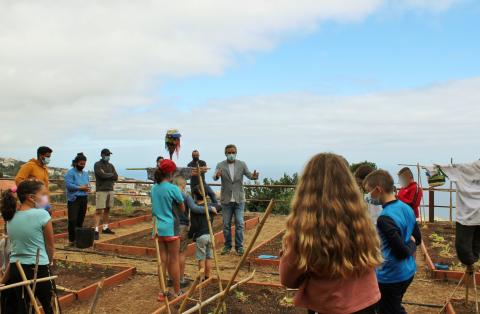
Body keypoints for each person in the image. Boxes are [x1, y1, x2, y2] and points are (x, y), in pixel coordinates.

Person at [280, 153, 382, 314]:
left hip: (329, 306)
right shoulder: (361, 220)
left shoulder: (305, 230)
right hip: (367, 301)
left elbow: (288, 279)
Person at [364, 170, 421, 314]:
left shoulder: (385, 218)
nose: (369, 196)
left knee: (390, 310)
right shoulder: (406, 208)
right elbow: (417, 238)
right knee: (391, 307)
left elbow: (401, 252)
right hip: (408, 271)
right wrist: (412, 242)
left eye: (369, 192)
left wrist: (410, 244)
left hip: (390, 276)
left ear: (378, 189)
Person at [0, 180, 56, 314]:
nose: (46, 197)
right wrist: (49, 262)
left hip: (16, 269)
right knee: (49, 307)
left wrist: (3, 279)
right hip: (38, 268)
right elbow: (50, 247)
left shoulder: (10, 218)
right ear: (31, 197)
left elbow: (15, 252)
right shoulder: (42, 215)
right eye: (43, 194)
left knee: (23, 308)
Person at [430, 161, 480, 272]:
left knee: (470, 245)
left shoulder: (462, 168)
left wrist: (434, 168)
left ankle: (471, 264)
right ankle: (470, 264)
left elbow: (441, 169)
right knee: (466, 247)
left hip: (466, 216)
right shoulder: (464, 168)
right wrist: (436, 168)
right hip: (467, 216)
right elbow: (443, 168)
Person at [214, 144, 259, 256]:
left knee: (239, 223)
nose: (231, 154)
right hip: (226, 200)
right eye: (229, 152)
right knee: (226, 224)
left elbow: (250, 176)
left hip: (239, 199)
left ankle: (239, 247)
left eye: (233, 152)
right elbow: (214, 177)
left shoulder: (242, 164)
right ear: (225, 153)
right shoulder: (220, 165)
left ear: (236, 153)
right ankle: (227, 246)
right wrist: (217, 175)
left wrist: (254, 176)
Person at [151, 160, 185, 300]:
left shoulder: (154, 188)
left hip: (157, 228)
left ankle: (162, 292)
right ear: (171, 173)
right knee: (174, 260)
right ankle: (177, 292)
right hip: (171, 227)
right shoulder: (173, 188)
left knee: (162, 260)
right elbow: (182, 209)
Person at [189, 187, 218, 281]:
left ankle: (201, 278)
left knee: (201, 258)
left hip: (201, 236)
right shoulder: (210, 207)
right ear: (206, 195)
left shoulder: (195, 209)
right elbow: (219, 206)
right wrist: (213, 208)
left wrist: (190, 235)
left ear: (195, 196)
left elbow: (194, 225)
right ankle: (207, 276)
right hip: (210, 235)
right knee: (208, 257)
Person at [64, 153, 90, 246]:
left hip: (84, 198)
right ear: (76, 163)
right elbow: (69, 185)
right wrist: (80, 188)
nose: (82, 165)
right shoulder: (70, 173)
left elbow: (87, 184)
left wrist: (87, 188)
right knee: (72, 220)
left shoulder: (85, 174)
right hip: (74, 199)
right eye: (81, 164)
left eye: (84, 164)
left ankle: (78, 239)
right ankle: (71, 240)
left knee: (80, 219)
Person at [93, 148, 118, 240]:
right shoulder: (97, 164)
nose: (108, 156)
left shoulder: (111, 165)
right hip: (101, 190)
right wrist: (110, 175)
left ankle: (105, 227)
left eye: (109, 155)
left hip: (110, 190)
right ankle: (95, 230)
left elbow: (116, 177)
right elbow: (101, 175)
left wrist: (108, 174)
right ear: (102, 155)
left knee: (107, 209)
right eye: (107, 154)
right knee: (99, 211)